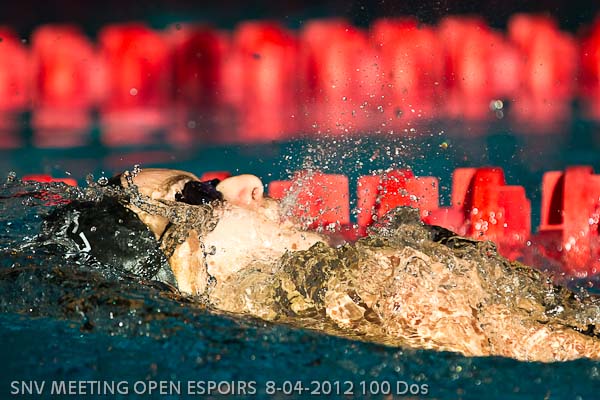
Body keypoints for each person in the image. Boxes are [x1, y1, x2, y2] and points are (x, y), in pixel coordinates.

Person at [40, 168, 600, 362]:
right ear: (183, 264)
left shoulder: (287, 319)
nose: (245, 182)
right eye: (198, 194)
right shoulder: (363, 283)